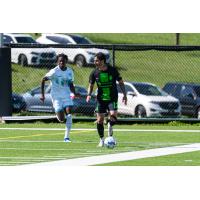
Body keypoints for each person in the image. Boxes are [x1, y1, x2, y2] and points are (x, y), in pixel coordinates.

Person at [86, 52, 127, 147]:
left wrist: (124, 94)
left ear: (102, 61)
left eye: (96, 60)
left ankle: (110, 125)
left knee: (113, 116)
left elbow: (121, 82)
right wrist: (88, 94)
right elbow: (91, 85)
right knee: (100, 120)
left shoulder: (112, 70)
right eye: (94, 60)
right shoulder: (94, 73)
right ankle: (101, 140)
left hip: (112, 98)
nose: (95, 62)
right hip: (101, 99)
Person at [40, 53, 78, 143]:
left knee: (69, 114)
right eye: (60, 61)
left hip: (66, 95)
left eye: (63, 61)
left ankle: (66, 137)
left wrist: (74, 93)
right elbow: (42, 79)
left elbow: (71, 84)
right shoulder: (54, 71)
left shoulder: (70, 71)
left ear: (66, 61)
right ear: (57, 62)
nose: (62, 62)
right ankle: (59, 114)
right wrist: (42, 95)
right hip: (56, 96)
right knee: (61, 119)